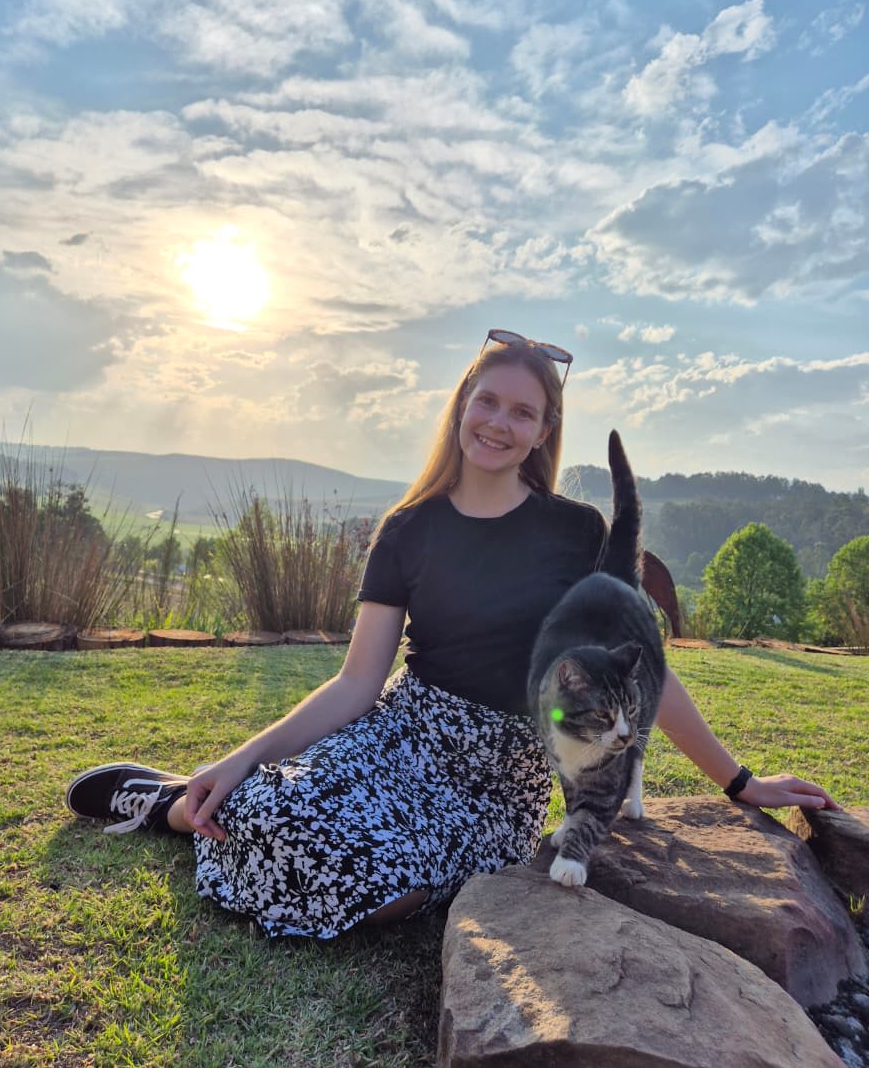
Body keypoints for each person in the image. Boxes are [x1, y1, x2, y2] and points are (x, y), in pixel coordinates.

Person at [66, 328, 838, 938]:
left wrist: (741, 783)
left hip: (498, 787)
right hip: (402, 738)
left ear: (543, 431)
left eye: (523, 412)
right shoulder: (408, 530)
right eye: (487, 401)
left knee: (376, 891)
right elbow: (356, 683)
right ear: (462, 404)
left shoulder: (578, 533)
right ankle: (172, 805)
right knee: (279, 809)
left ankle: (204, 811)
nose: (499, 423)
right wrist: (238, 758)